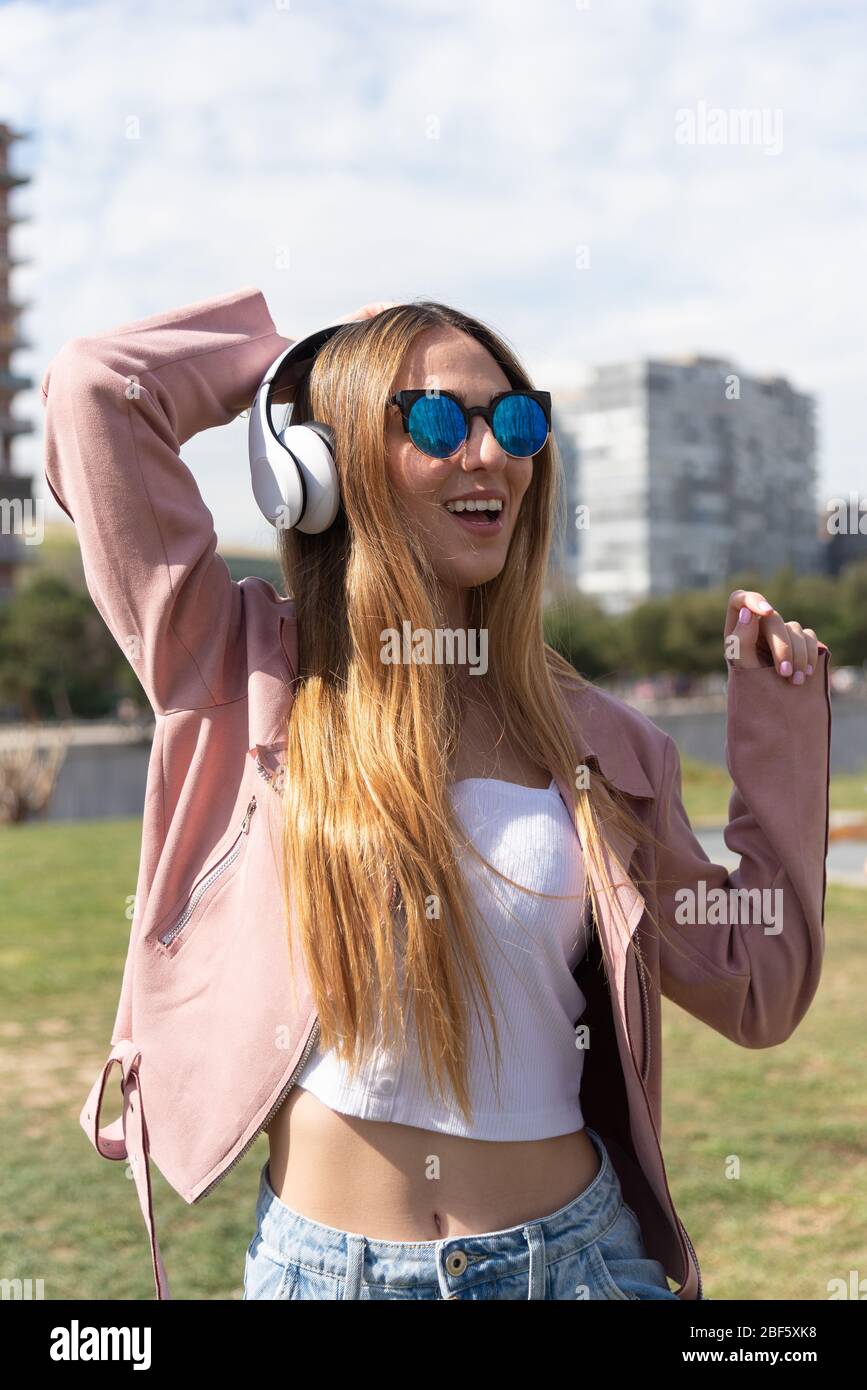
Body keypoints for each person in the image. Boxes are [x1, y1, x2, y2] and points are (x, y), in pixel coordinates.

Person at [40, 288, 831, 1301]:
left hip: (584, 1266)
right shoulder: (239, 668)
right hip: (329, 1276)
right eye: (433, 418)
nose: (489, 451)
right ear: (325, 471)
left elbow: (753, 986)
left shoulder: (600, 740)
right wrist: (313, 362)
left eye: (513, 419)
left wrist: (780, 723)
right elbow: (97, 389)